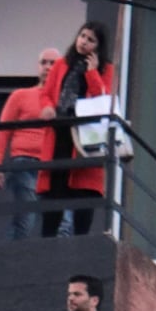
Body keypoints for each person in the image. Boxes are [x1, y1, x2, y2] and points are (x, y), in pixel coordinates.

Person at [38, 21, 114, 238]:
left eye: (91, 40)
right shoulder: (62, 64)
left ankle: (81, 252)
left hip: (85, 139)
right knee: (53, 199)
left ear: (98, 47)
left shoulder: (105, 69)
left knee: (83, 200)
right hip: (59, 138)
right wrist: (47, 108)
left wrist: (92, 73)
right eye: (82, 36)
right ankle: (47, 247)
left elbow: (103, 98)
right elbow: (46, 93)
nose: (84, 42)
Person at [0, 47, 62, 241]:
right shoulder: (20, 95)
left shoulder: (64, 101)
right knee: (27, 217)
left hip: (54, 165)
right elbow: (2, 131)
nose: (47, 67)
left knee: (62, 222)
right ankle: (10, 260)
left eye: (52, 63)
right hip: (25, 161)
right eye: (43, 62)